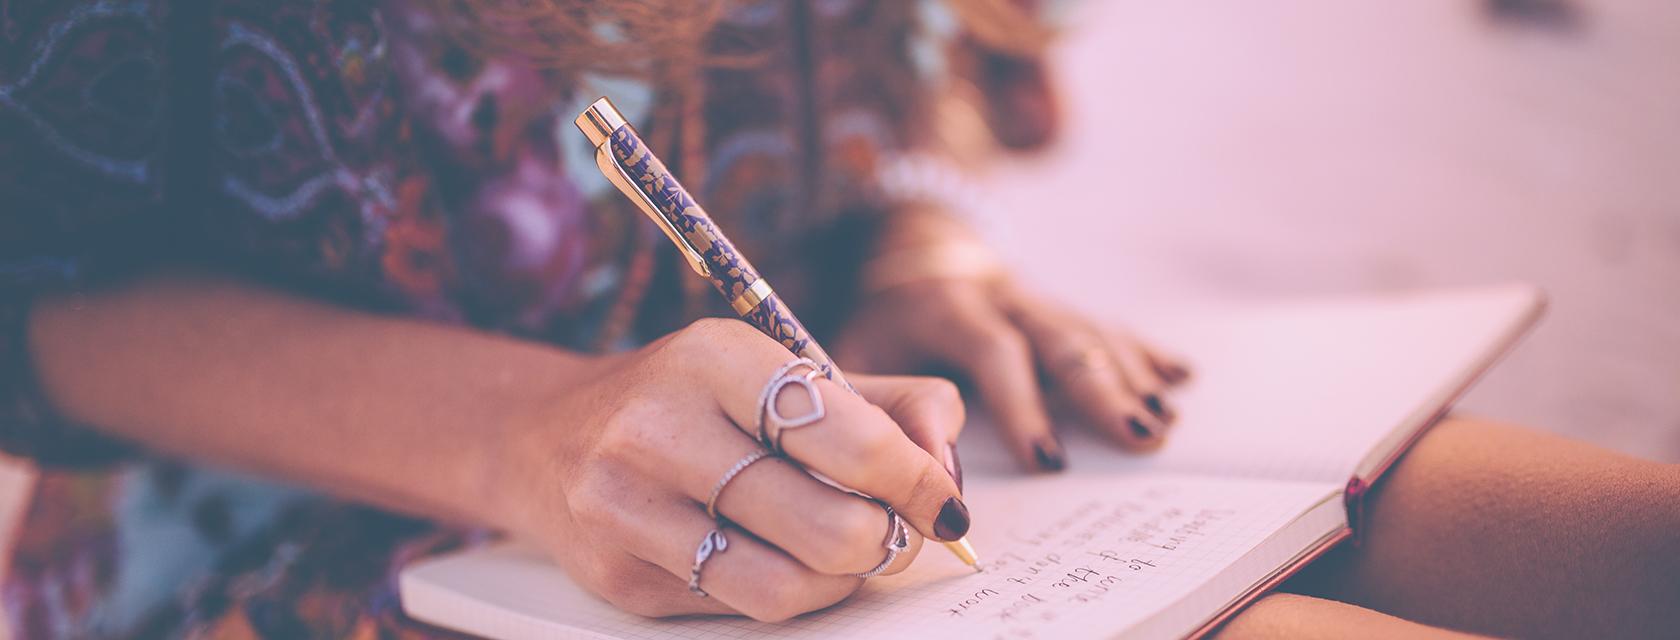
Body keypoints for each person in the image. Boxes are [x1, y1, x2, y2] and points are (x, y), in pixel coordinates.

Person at [0, 1, 1673, 638]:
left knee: (1621, 545)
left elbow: (917, 73)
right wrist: (524, 433)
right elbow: (41, 291)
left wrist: (920, 250)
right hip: (310, 503)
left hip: (836, 397)